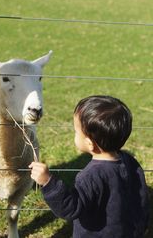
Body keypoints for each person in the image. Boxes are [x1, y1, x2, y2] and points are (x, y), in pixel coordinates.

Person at [29, 95, 149, 238]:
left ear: (90, 143)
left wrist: (48, 182)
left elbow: (72, 208)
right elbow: (141, 195)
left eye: (76, 131)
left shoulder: (91, 176)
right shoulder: (129, 161)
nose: (74, 134)